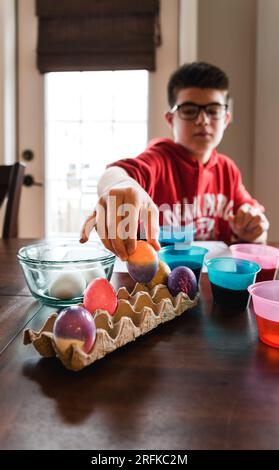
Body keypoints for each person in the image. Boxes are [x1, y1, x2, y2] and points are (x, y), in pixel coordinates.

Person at [80, 62, 269, 260]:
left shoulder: (227, 170)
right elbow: (115, 173)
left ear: (226, 118)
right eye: (189, 110)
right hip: (154, 284)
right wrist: (121, 184)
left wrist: (254, 228)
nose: (203, 120)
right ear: (171, 119)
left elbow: (254, 222)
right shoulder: (159, 160)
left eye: (213, 110)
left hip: (210, 283)